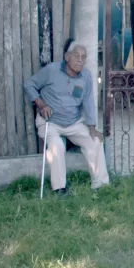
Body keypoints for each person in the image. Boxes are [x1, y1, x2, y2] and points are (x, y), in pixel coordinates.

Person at [23, 42, 109, 195]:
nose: (80, 60)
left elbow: (88, 101)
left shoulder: (86, 76)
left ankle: (101, 185)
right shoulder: (51, 70)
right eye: (76, 56)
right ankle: (59, 189)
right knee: (57, 146)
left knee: (95, 141)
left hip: (73, 122)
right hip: (50, 121)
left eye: (83, 57)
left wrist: (92, 127)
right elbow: (29, 84)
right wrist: (41, 105)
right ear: (67, 57)